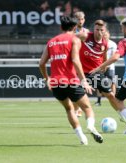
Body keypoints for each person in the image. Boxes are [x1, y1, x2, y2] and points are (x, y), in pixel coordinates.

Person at [39, 16, 103, 145]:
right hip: (71, 81)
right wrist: (83, 80)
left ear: (61, 27)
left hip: (56, 83)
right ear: (74, 28)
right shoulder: (74, 39)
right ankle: (90, 126)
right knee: (87, 108)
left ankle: (82, 138)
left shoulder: (51, 42)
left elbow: (41, 63)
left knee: (69, 110)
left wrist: (47, 79)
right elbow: (75, 60)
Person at [73, 11, 89, 117]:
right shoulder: (72, 30)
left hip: (84, 61)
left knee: (83, 85)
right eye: (78, 19)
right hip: (74, 60)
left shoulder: (86, 31)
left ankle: (79, 107)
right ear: (75, 20)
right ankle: (77, 108)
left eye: (82, 19)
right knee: (74, 85)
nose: (80, 21)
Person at [95, 30, 117, 106]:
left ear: (109, 35)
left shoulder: (113, 44)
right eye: (104, 35)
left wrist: (107, 65)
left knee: (112, 83)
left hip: (110, 67)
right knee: (99, 84)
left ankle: (114, 99)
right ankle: (98, 101)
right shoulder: (99, 43)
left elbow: (113, 56)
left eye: (106, 35)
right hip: (100, 67)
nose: (105, 36)